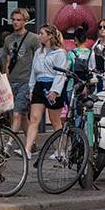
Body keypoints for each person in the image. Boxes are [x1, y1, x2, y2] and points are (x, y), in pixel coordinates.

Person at [24, 25, 68, 156]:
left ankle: (60, 150)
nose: (39, 36)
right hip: (39, 84)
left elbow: (61, 74)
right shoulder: (39, 52)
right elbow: (33, 71)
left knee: (55, 120)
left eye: (42, 33)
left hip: (52, 84)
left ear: (49, 36)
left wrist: (55, 91)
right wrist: (31, 88)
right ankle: (27, 149)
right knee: (34, 119)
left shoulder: (60, 53)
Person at [0, 8, 40, 134]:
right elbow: (6, 59)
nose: (15, 22)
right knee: (20, 115)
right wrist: (5, 79)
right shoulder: (8, 39)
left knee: (17, 113)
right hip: (11, 80)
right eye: (13, 20)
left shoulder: (33, 38)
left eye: (19, 20)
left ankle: (9, 145)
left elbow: (39, 58)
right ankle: (30, 143)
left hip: (26, 80)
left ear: (25, 21)